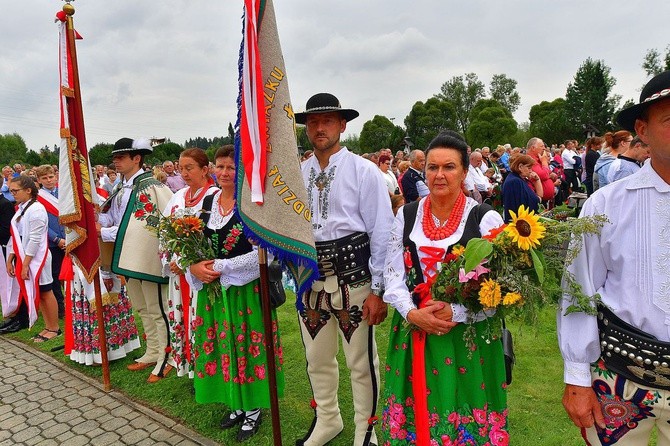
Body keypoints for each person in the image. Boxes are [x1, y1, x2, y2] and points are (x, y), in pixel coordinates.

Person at [559, 70, 670, 445]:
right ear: (642, 129)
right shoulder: (605, 204)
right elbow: (579, 290)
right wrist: (576, 375)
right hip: (618, 377)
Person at [381, 131, 507, 444]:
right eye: (433, 167)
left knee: (465, 410)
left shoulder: (484, 218)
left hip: (469, 334)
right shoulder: (407, 215)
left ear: (465, 171)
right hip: (415, 328)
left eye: (449, 167)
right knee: (417, 415)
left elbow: (501, 288)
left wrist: (459, 310)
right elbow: (392, 273)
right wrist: (411, 313)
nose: (439, 175)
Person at [295, 92, 394, 446]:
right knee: (316, 358)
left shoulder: (364, 171)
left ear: (342, 125)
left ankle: (367, 432)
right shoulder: (296, 174)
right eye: (313, 122)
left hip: (355, 278)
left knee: (361, 363)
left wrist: (379, 290)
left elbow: (382, 231)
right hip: (309, 279)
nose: (319, 128)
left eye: (327, 121)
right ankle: (328, 420)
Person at [185, 145, 282, 442]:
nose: (225, 173)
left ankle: (252, 408)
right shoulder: (208, 202)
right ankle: (235, 403)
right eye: (220, 166)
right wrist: (194, 266)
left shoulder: (252, 205)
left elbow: (263, 253)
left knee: (246, 349)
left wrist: (223, 265)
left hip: (245, 293)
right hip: (214, 291)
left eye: (231, 167)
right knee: (222, 346)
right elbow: (194, 244)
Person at [97, 137, 175, 383]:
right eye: (115, 158)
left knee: (158, 308)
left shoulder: (152, 186)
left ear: (137, 158)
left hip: (147, 256)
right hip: (129, 255)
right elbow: (118, 219)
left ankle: (168, 356)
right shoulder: (121, 187)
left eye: (120, 158)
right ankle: (152, 351)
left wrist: (104, 232)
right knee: (142, 307)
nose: (115, 162)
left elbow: (148, 224)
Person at [161, 148, 218, 377]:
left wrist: (187, 261)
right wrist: (172, 258)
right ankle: (187, 364)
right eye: (180, 168)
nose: (183, 173)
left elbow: (212, 236)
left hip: (201, 273)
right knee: (183, 317)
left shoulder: (213, 196)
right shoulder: (178, 196)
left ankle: (206, 367)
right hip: (179, 273)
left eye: (189, 168)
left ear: (205, 170)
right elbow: (164, 230)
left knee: (201, 319)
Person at [5, 176, 61, 341]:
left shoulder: (36, 209)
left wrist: (25, 265)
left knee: (45, 291)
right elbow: (18, 236)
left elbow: (35, 239)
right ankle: (48, 326)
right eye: (11, 191)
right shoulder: (23, 207)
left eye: (16, 191)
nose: (13, 194)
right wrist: (11, 258)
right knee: (40, 292)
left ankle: (54, 328)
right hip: (26, 256)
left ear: (28, 190)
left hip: (37, 258)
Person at [35, 165, 66, 319]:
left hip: (70, 238)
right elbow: (41, 224)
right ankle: (60, 308)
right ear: (39, 180)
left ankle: (75, 304)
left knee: (72, 274)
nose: (49, 180)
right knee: (55, 275)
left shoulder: (65, 192)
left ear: (56, 176)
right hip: (53, 242)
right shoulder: (38, 198)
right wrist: (56, 239)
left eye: (51, 176)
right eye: (44, 178)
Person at [501, 154, 543, 222]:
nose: (531, 171)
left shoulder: (517, 179)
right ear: (520, 167)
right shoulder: (515, 181)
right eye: (529, 168)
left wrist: (537, 180)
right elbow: (532, 202)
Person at [526, 137, 556, 205]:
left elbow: (552, 174)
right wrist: (545, 162)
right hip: (538, 199)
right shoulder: (530, 160)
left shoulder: (539, 159)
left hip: (545, 199)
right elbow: (543, 175)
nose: (544, 148)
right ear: (533, 148)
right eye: (541, 146)